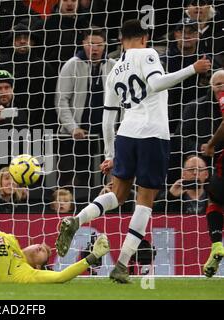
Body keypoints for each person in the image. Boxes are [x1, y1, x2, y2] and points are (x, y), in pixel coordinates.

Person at [55, 19, 211, 283]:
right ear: (144, 38)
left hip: (125, 135)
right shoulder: (148, 54)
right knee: (145, 201)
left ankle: (76, 220)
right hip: (152, 134)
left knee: (117, 194)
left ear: (120, 41)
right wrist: (192, 69)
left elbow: (107, 118)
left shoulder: (114, 70)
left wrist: (109, 154)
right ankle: (123, 264)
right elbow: (157, 84)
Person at [55, 26, 116, 187]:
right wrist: (72, 128)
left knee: (108, 180)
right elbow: (61, 100)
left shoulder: (113, 66)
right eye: (90, 44)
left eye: (98, 44)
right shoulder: (71, 65)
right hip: (77, 136)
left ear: (105, 45)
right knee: (76, 181)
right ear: (83, 44)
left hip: (107, 135)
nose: (94, 48)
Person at [201, 82, 224, 278]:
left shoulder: (223, 97)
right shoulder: (207, 105)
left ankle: (217, 244)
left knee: (214, 200)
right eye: (216, 84)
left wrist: (210, 144)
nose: (219, 88)